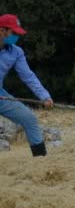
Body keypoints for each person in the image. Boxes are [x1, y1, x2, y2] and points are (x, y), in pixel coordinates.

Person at [0, 14, 54, 157]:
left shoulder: (16, 52)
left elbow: (28, 76)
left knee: (29, 119)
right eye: (14, 32)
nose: (16, 36)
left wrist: (44, 96)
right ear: (2, 30)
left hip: (1, 97)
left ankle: (41, 162)